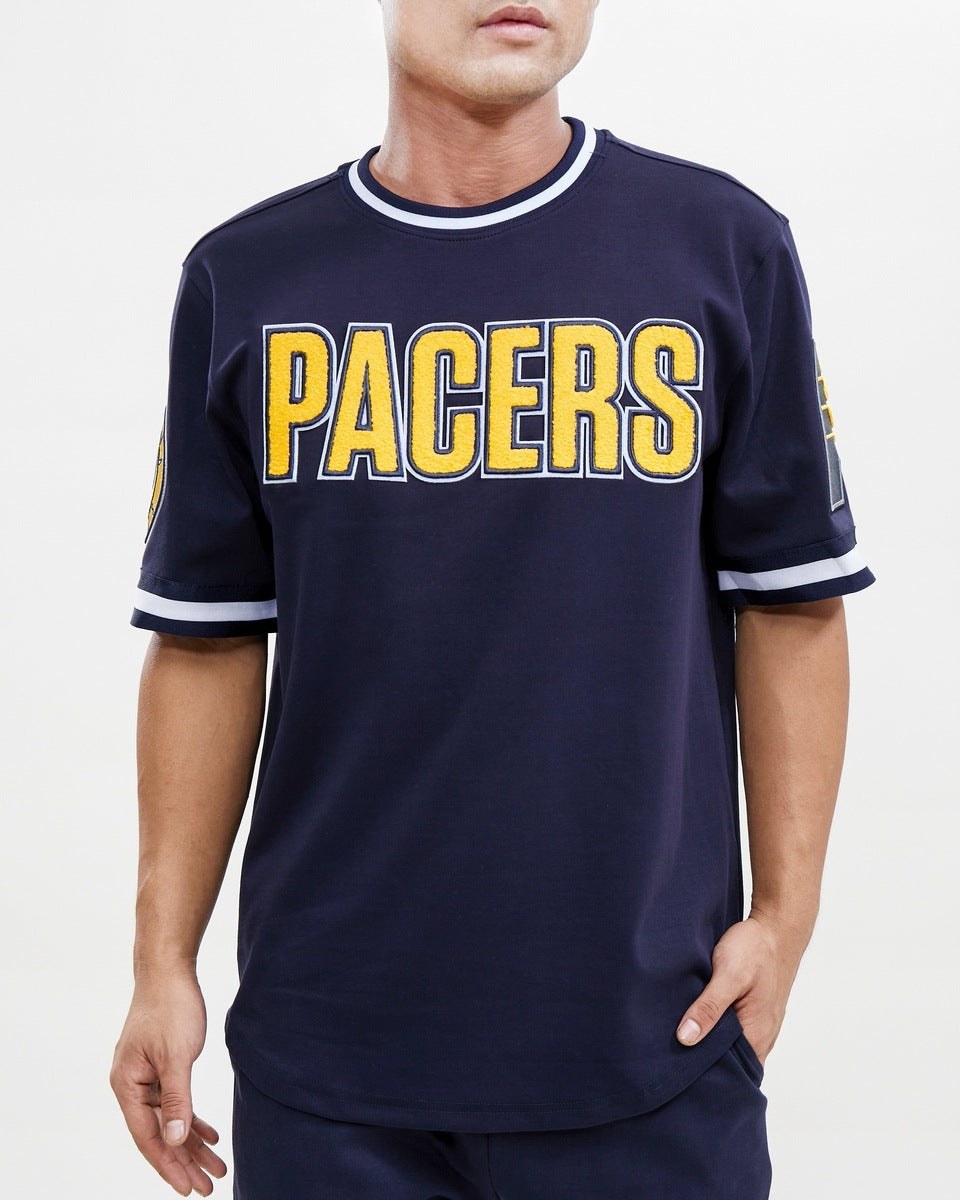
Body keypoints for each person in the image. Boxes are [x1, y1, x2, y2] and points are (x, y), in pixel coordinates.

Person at [110, 2, 876, 1197]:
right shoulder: (249, 275)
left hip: (651, 1046)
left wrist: (786, 921)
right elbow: (208, 638)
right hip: (329, 1065)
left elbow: (792, 601)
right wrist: (162, 961)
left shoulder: (722, 246)